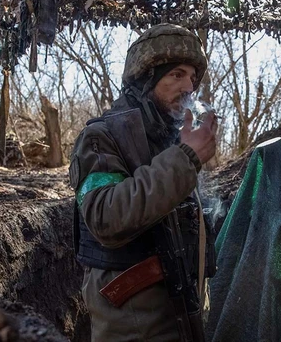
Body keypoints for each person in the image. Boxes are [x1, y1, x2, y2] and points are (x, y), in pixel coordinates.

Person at [68, 23, 218, 342]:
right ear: (146, 79)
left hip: (180, 310)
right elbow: (104, 216)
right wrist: (186, 158)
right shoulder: (101, 137)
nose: (189, 87)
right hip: (131, 324)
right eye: (176, 74)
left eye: (192, 77)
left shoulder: (171, 141)